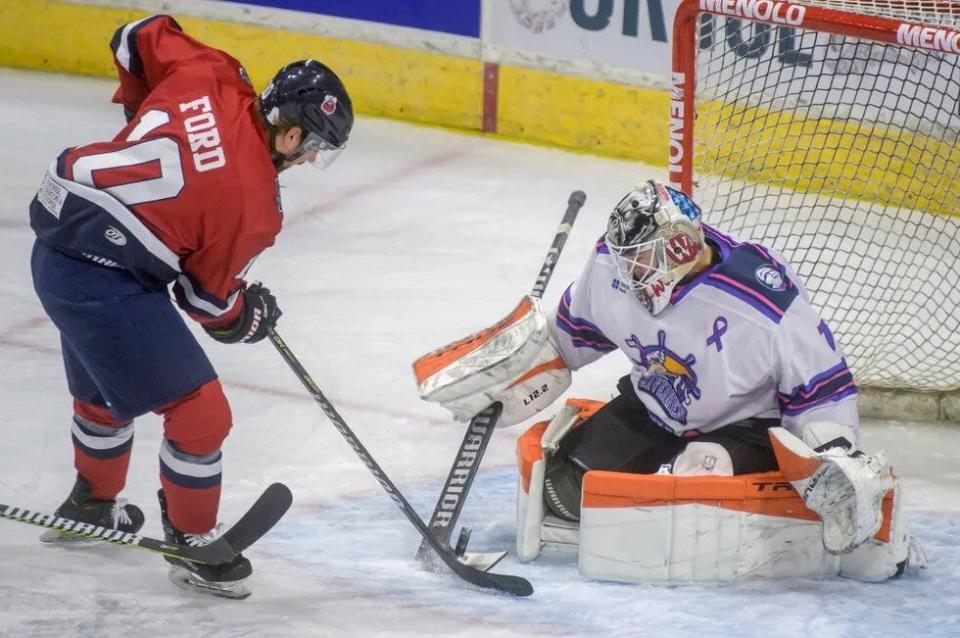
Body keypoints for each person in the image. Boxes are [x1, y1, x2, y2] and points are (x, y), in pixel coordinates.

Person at [28, 14, 353, 598]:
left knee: (107, 386)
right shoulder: (255, 206)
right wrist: (246, 318)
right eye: (312, 150)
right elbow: (205, 299)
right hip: (103, 275)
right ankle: (192, 541)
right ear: (290, 135)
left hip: (56, 241)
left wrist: (139, 119)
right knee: (201, 414)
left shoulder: (214, 72)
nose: (307, 162)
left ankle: (92, 504)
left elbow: (136, 33)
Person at [540, 179, 890, 555]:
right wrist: (514, 364)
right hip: (654, 406)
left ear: (677, 246)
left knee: (692, 502)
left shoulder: (765, 303)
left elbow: (821, 390)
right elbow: (572, 335)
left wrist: (833, 461)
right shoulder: (611, 261)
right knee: (562, 489)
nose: (626, 273)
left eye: (637, 259)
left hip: (743, 430)